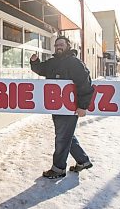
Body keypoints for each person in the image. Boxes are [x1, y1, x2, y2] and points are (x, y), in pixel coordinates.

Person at [30, 36, 95, 179]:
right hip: (57, 107)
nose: (58, 46)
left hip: (70, 107)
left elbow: (85, 84)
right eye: (56, 44)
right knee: (66, 136)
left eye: (61, 44)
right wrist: (35, 62)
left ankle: (58, 168)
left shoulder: (74, 63)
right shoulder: (53, 62)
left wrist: (83, 106)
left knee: (62, 137)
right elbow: (41, 69)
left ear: (68, 46)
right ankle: (83, 161)